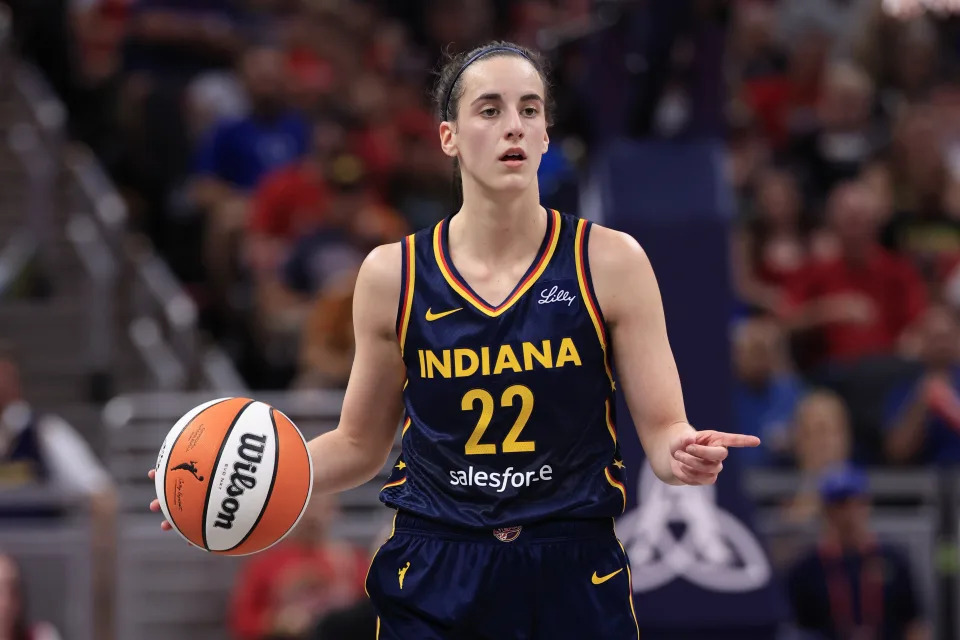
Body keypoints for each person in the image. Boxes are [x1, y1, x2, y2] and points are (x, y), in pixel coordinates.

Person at [152, 40, 760, 638]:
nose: (513, 127)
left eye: (529, 110)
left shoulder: (611, 260)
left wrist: (682, 452)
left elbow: (662, 430)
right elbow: (362, 444)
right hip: (438, 562)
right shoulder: (394, 274)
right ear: (449, 136)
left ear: (547, 134)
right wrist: (242, 479)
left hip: (571, 560)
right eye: (490, 109)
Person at [786, 466, 929, 640]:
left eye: (856, 503)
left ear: (867, 505)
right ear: (826, 511)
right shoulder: (806, 569)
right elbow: (792, 627)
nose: (849, 513)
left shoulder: (894, 560)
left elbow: (914, 624)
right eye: (840, 505)